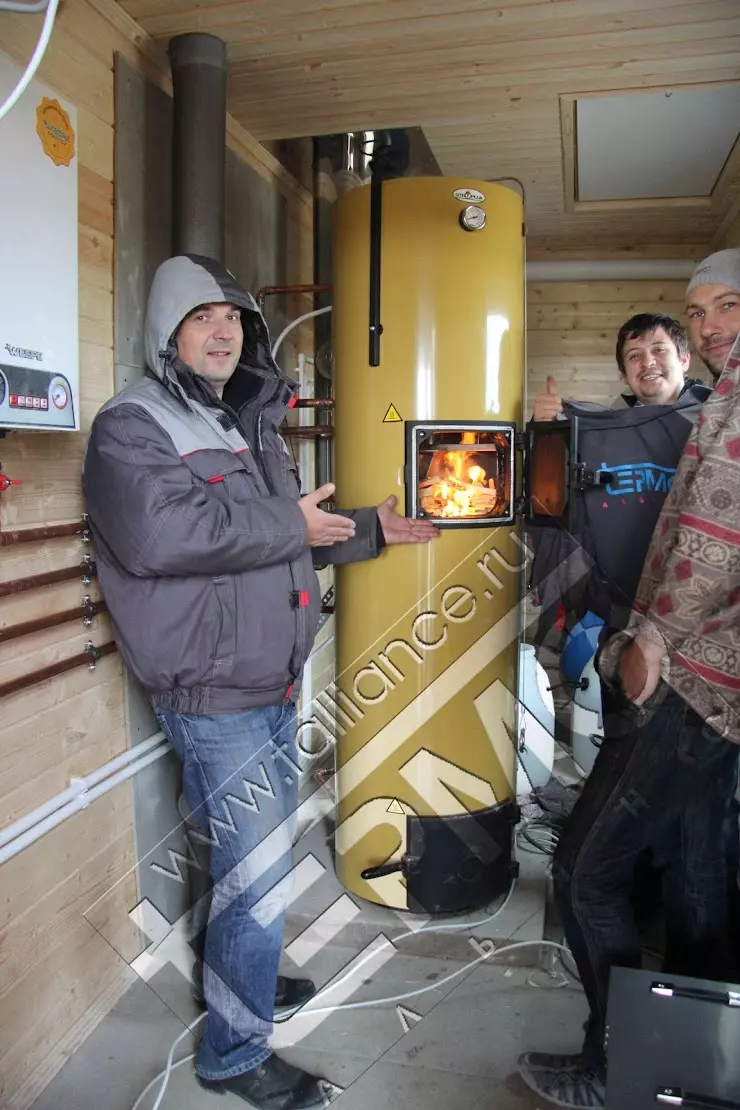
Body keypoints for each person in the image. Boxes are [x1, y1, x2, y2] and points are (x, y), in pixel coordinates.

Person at [82, 254, 438, 1108]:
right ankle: (234, 1056)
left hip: (271, 678)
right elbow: (164, 538)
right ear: (167, 333)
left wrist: (364, 529)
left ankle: (237, 979)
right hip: (211, 694)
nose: (223, 331)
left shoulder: (247, 422)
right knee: (258, 874)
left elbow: (288, 533)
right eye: (203, 317)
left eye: (234, 319)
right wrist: (295, 520)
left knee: (251, 865)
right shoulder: (132, 425)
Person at [518, 251, 740, 1109]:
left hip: (687, 674)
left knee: (584, 868)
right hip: (699, 680)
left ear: (678, 359)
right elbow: (554, 518)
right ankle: (700, 1064)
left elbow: (713, 536)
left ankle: (618, 1062)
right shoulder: (718, 398)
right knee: (697, 863)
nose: (711, 325)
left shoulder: (719, 408)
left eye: (726, 307)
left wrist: (649, 639)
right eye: (701, 312)